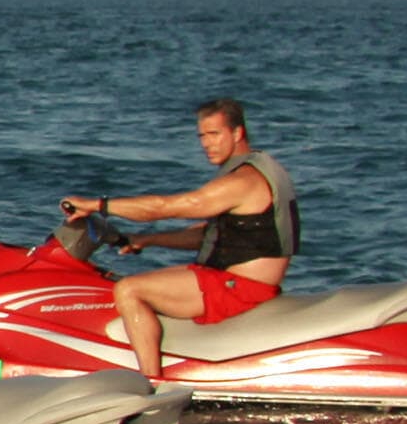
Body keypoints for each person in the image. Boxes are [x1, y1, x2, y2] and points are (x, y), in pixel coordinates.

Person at [57, 97, 298, 380]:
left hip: (239, 288)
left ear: (237, 133)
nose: (207, 144)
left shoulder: (243, 181)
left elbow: (165, 207)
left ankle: (151, 384)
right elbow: (210, 236)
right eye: (202, 136)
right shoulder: (259, 167)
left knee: (129, 290)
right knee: (147, 280)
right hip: (233, 280)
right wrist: (148, 240)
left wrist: (98, 205)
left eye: (214, 134)